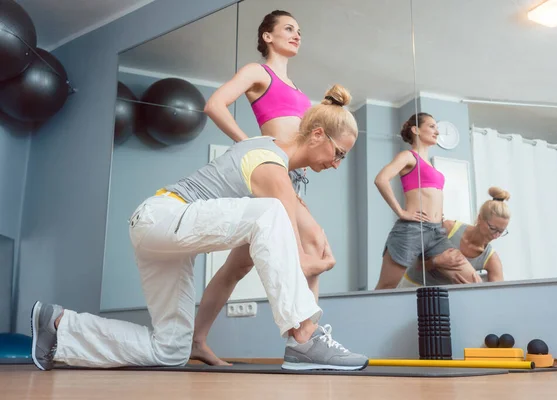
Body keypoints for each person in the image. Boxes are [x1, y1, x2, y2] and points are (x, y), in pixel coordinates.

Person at [30, 84, 369, 372]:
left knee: (170, 350)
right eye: (338, 153)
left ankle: (59, 325)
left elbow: (254, 259)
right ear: (318, 134)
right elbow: (292, 253)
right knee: (271, 214)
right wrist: (321, 266)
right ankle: (305, 337)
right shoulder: (270, 164)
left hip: (166, 235)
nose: (337, 164)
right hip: (161, 215)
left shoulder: (272, 172)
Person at [193, 10, 334, 365]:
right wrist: (252, 148)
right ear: (267, 37)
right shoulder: (259, 72)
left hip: (289, 179)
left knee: (236, 267)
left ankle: (197, 340)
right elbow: (214, 104)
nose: (296, 34)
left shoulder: (301, 91)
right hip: (266, 174)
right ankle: (308, 341)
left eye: (299, 30)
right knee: (315, 244)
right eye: (288, 28)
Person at [374, 112, 481, 290]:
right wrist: (401, 212)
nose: (437, 132)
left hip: (436, 233)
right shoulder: (408, 156)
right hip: (412, 231)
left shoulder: (430, 165)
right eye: (432, 126)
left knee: (472, 280)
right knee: (386, 287)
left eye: (437, 128)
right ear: (416, 130)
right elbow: (381, 179)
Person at [399, 187, 510, 287]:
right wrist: (435, 262)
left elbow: (497, 296)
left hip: (446, 297)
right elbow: (414, 263)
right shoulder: (449, 228)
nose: (496, 236)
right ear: (480, 218)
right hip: (413, 286)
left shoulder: (491, 259)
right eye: (492, 228)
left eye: (501, 231)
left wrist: (477, 291)